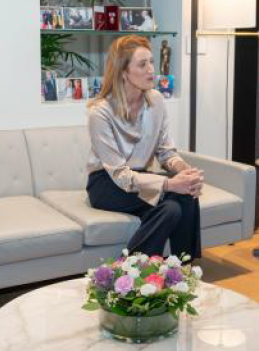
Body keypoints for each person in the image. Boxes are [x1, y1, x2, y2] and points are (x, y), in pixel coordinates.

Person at [86, 35, 204, 260]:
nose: (151, 70)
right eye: (142, 64)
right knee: (174, 200)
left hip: (141, 177)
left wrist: (185, 171)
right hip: (107, 183)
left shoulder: (156, 100)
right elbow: (120, 174)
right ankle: (131, 270)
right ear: (123, 72)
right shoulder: (100, 113)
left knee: (180, 201)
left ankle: (182, 269)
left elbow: (165, 151)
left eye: (151, 62)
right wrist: (169, 184)